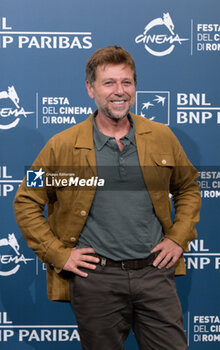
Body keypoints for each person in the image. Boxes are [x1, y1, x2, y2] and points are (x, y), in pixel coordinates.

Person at [14, 45, 201, 350]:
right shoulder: (60, 147)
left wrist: (179, 237)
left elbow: (189, 186)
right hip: (96, 281)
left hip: (155, 276)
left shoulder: (162, 137)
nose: (119, 91)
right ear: (90, 88)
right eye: (109, 83)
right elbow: (26, 200)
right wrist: (58, 254)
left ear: (135, 88)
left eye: (126, 82)